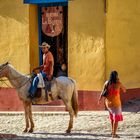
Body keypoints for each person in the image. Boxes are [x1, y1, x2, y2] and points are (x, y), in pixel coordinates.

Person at [98, 71, 126, 138]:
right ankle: (114, 134)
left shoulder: (107, 83)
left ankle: (112, 131)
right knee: (116, 120)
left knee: (112, 118)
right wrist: (119, 81)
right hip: (116, 104)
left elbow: (102, 91)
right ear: (116, 76)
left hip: (108, 104)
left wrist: (99, 99)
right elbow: (124, 90)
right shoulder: (118, 83)